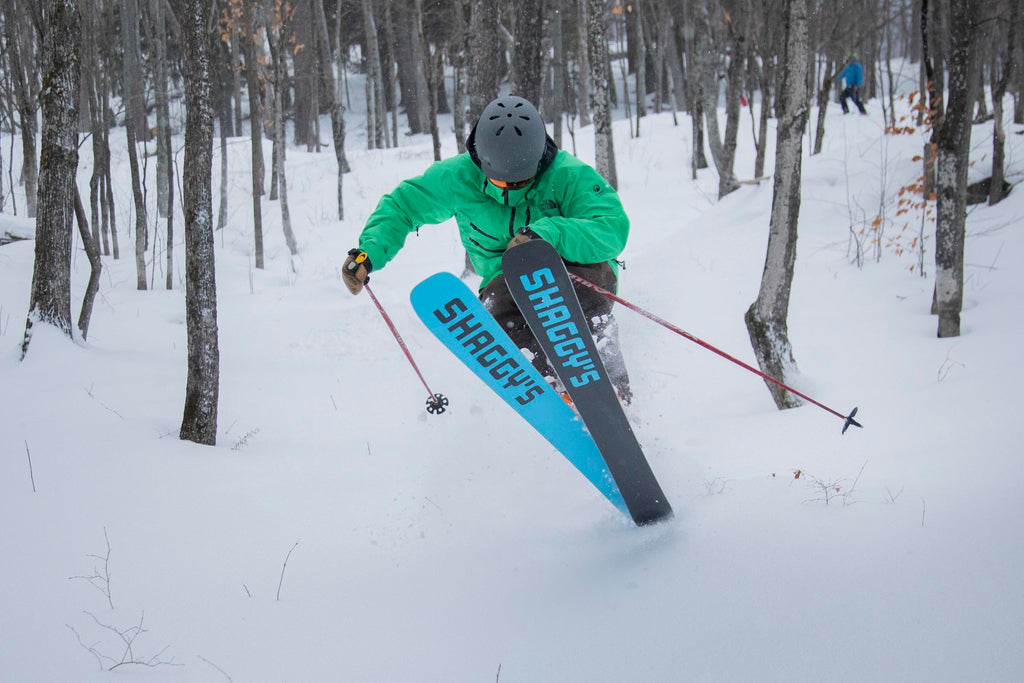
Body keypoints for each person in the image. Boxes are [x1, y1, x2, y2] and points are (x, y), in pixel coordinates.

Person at [342, 94, 633, 403]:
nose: (510, 190)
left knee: (577, 309)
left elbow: (612, 226)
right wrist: (368, 252)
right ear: (482, 163)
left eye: (521, 182)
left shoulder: (567, 174)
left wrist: (546, 234)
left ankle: (609, 389)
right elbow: (403, 206)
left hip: (578, 272)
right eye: (502, 181)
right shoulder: (458, 178)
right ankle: (550, 393)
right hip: (507, 282)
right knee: (501, 322)